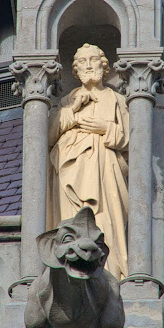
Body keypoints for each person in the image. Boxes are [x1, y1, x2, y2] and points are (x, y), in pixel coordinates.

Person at [47, 43, 129, 279]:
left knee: (105, 219)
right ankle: (70, 267)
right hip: (69, 169)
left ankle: (111, 271)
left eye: (93, 60)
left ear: (104, 67)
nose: (89, 65)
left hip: (105, 169)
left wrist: (105, 128)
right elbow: (49, 135)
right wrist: (73, 110)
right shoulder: (68, 100)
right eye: (82, 61)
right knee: (71, 219)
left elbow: (131, 139)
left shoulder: (116, 100)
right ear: (75, 70)